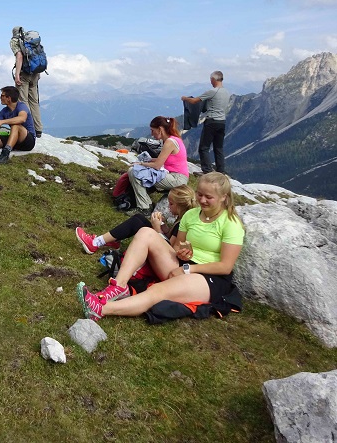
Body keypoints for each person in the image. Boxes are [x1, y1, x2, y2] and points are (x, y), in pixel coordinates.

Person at [76, 172, 244, 321]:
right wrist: (182, 253)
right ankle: (118, 287)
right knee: (145, 232)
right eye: (199, 194)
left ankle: (101, 309)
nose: (202, 200)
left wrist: (187, 269)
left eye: (208, 197)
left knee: (158, 291)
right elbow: (177, 246)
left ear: (224, 197)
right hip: (182, 265)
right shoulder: (191, 215)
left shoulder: (231, 224)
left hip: (208, 277)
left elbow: (225, 267)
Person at [76, 185, 197, 254]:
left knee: (137, 221)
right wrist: (165, 229)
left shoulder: (183, 223)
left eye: (170, 204)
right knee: (139, 219)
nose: (168, 207)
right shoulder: (183, 218)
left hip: (165, 257)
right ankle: (110, 240)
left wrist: (157, 229)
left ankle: (95, 243)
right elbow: (172, 239)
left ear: (179, 206)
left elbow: (170, 249)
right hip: (164, 248)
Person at [126, 116, 189, 216]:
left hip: (177, 179)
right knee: (141, 171)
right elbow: (163, 160)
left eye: (152, 130)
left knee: (134, 172)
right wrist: (149, 160)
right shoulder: (173, 139)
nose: (151, 134)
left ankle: (145, 207)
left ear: (160, 129)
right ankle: (145, 202)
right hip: (176, 176)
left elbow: (157, 165)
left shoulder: (169, 142)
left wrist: (140, 164)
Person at [181, 71, 230, 174]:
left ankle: (207, 171)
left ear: (214, 79)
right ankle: (221, 171)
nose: (210, 81)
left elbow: (195, 101)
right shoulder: (226, 92)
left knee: (204, 148)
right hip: (222, 122)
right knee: (218, 148)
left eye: (211, 79)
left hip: (211, 122)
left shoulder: (212, 92)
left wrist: (185, 98)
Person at [11, 26, 43, 138]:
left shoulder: (15, 41)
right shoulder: (31, 40)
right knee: (34, 101)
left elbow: (19, 57)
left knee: (23, 101)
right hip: (35, 73)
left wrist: (17, 74)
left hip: (24, 74)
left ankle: (28, 128)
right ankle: (38, 129)